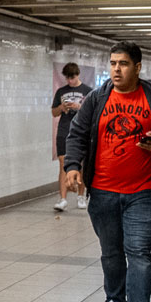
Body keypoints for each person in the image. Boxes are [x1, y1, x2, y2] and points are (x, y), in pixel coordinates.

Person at [65, 42, 151, 302]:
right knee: (112, 253)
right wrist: (72, 166)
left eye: (123, 64)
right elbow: (77, 133)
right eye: (113, 63)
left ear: (137, 67)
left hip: (145, 190)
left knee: (139, 253)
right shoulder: (98, 98)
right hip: (103, 191)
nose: (116, 69)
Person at [51, 63, 92, 211]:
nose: (70, 81)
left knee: (80, 164)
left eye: (72, 78)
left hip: (81, 132)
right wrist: (62, 108)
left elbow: (93, 113)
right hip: (64, 131)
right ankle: (62, 198)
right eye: (67, 78)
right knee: (63, 165)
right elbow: (54, 112)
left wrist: (79, 107)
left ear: (78, 74)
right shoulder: (61, 92)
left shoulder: (88, 91)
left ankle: (81, 196)